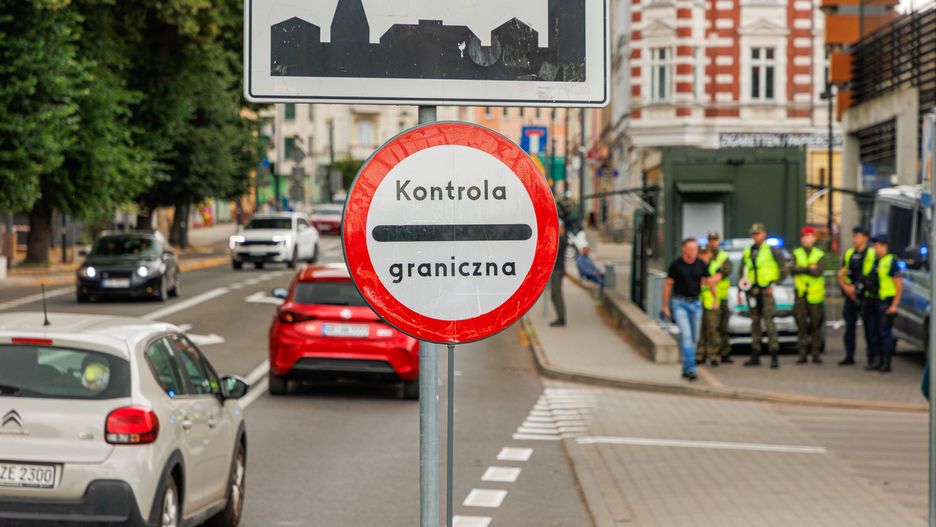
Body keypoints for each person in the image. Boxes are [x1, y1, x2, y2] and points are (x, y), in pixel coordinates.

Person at [662, 238, 718, 381]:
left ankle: (686, 367)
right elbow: (668, 284)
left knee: (694, 338)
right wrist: (665, 306)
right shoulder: (676, 265)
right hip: (680, 303)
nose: (693, 251)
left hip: (696, 304)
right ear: (684, 249)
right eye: (690, 249)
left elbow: (709, 281)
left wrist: (715, 298)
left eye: (695, 249)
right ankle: (690, 369)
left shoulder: (700, 264)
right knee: (686, 336)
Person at [738, 223, 787, 368]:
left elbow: (784, 270)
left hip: (766, 291)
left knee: (769, 323)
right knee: (755, 324)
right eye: (753, 234)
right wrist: (742, 288)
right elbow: (742, 271)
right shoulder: (748, 251)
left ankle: (774, 355)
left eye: (758, 234)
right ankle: (755, 354)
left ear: (764, 234)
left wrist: (773, 285)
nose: (755, 236)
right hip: (752, 292)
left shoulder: (772, 250)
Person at [837, 226, 876, 366]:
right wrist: (846, 287)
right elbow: (842, 273)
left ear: (865, 238)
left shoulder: (871, 253)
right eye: (854, 236)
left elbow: (868, 273)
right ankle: (849, 356)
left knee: (869, 329)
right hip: (850, 295)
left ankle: (872, 358)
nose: (855, 239)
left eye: (857, 236)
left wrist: (857, 289)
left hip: (865, 296)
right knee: (849, 327)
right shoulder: (849, 253)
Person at [866, 235, 904, 373]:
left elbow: (899, 285)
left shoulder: (891, 261)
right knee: (874, 332)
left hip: (887, 301)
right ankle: (878, 361)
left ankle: (887, 362)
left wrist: (894, 305)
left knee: (885, 333)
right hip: (875, 301)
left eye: (876, 246)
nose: (874, 249)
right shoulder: (876, 261)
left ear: (884, 246)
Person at [791, 227, 827, 364]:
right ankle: (802, 353)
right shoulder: (796, 253)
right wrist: (809, 268)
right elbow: (792, 269)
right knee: (801, 325)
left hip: (815, 296)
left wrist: (801, 268)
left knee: (815, 325)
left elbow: (818, 272)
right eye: (804, 237)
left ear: (814, 239)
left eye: (809, 237)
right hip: (801, 295)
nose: (807, 239)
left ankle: (815, 353)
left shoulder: (819, 254)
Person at [706, 231, 734, 364]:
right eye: (711, 240)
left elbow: (726, 271)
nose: (713, 243)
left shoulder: (723, 256)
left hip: (722, 296)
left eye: (715, 240)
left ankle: (725, 352)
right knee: (711, 328)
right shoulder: (704, 255)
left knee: (723, 326)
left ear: (719, 241)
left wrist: (717, 275)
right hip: (708, 297)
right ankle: (711, 354)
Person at [697, 246, 723, 367]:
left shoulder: (715, 266)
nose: (703, 256)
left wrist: (706, 281)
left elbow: (715, 280)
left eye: (705, 253)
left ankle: (713, 355)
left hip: (711, 301)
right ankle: (699, 354)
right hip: (698, 301)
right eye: (701, 254)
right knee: (699, 330)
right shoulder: (696, 265)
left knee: (712, 330)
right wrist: (708, 280)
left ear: (710, 254)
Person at [550, 221, 568, 327]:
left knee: (556, 294)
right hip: (557, 269)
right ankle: (560, 316)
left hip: (558, 269)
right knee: (554, 294)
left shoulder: (562, 239)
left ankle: (561, 318)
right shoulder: (561, 239)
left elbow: (556, 249)